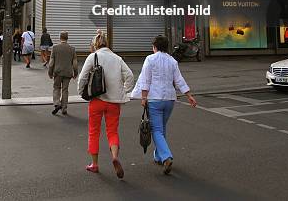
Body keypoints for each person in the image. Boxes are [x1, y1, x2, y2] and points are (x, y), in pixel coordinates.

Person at [131, 35, 197, 175]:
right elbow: (179, 80)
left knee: (157, 130)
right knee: (161, 128)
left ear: (155, 47)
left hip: (154, 99)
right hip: (169, 99)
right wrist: (189, 95)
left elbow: (145, 79)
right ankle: (159, 156)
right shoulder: (172, 61)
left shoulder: (150, 59)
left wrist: (143, 97)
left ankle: (166, 157)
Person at [78, 29, 134, 178]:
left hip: (97, 100)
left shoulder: (93, 56)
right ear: (107, 43)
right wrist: (124, 90)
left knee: (94, 131)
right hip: (114, 102)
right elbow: (130, 76)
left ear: (95, 44)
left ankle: (94, 164)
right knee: (112, 131)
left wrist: (80, 92)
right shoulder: (117, 58)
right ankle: (114, 156)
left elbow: (82, 77)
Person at [48, 31, 77, 115]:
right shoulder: (72, 49)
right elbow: (75, 63)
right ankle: (64, 108)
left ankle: (57, 103)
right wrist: (75, 73)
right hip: (68, 73)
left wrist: (50, 72)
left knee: (56, 88)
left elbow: (51, 62)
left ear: (60, 38)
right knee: (65, 90)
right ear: (67, 38)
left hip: (57, 72)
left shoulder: (55, 48)